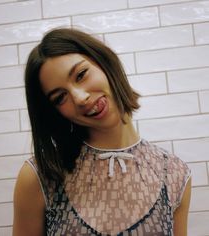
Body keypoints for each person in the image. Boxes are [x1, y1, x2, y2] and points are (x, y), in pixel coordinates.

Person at [13, 28, 191, 236]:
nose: (80, 98)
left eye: (81, 75)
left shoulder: (174, 174)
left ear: (103, 62)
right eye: (60, 97)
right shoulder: (42, 176)